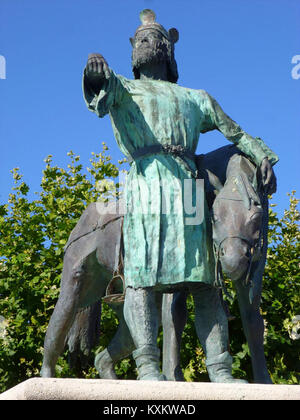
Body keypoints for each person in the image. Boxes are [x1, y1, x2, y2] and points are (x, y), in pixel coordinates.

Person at [83, 9, 278, 382]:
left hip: (188, 187)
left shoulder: (196, 97)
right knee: (142, 277)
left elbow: (235, 133)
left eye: (148, 39)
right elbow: (100, 91)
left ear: (165, 49)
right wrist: (94, 73)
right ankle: (147, 366)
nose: (141, 45)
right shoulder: (124, 88)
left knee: (204, 279)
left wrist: (260, 154)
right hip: (145, 184)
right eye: (137, 41)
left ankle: (221, 369)